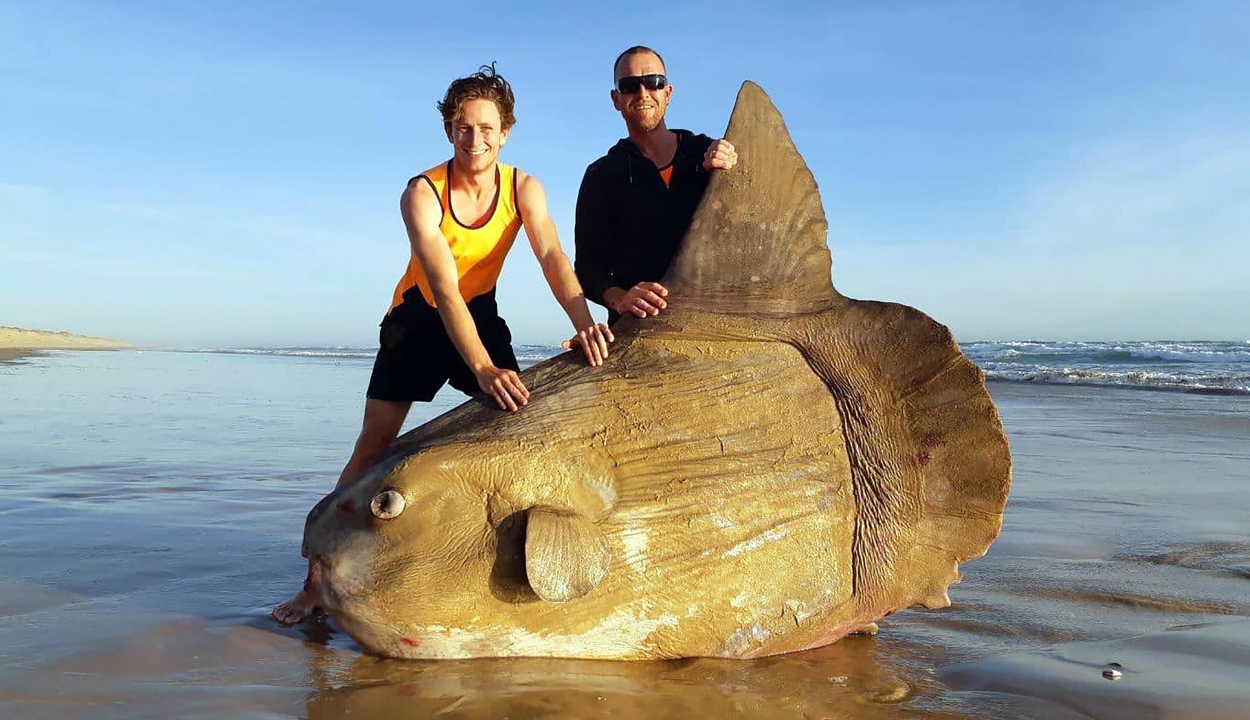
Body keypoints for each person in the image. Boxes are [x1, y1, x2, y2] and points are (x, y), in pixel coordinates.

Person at [273, 63, 613, 625]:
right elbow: (445, 289)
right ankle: (316, 580)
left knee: (516, 423)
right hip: (418, 318)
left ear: (505, 132)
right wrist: (481, 368)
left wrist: (583, 319)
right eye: (462, 127)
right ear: (448, 130)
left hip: (479, 312)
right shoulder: (422, 192)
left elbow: (552, 258)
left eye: (485, 127)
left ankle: (489, 564)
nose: (473, 139)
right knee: (374, 445)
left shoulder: (524, 187)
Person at [574, 46, 738, 324]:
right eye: (629, 86)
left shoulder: (706, 153)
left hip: (715, 320)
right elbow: (588, 268)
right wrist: (621, 298)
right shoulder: (601, 175)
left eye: (653, 83)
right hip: (642, 327)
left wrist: (732, 170)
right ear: (616, 99)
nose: (642, 94)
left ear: (668, 93)